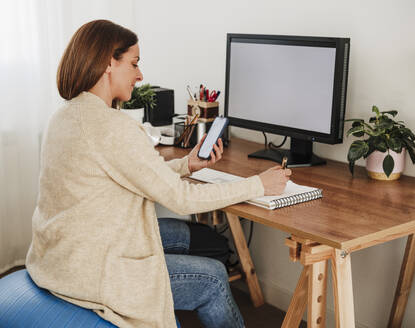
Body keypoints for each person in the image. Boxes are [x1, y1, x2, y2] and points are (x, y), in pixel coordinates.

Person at [26, 20, 292, 328]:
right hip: (91, 270)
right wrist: (259, 184)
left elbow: (126, 172)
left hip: (61, 254)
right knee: (216, 278)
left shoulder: (66, 115)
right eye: (134, 64)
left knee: (180, 235)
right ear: (107, 63)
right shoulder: (113, 127)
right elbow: (181, 199)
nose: (140, 75)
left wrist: (185, 165)